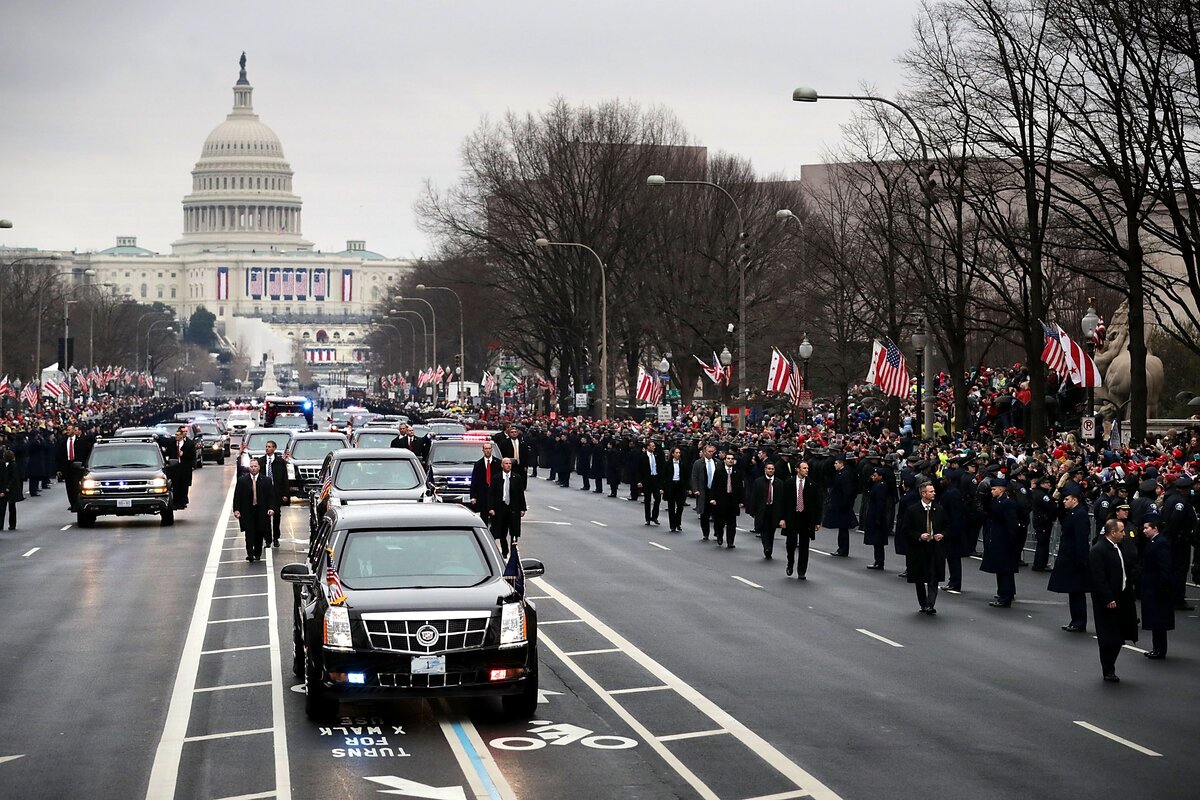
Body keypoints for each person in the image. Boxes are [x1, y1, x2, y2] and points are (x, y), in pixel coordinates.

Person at [1088, 518, 1139, 682]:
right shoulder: (1099, 550)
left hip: (1123, 595)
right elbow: (1098, 577)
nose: (1124, 534)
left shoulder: (1120, 547)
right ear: (1113, 533)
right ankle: (1108, 669)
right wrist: (1108, 597)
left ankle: (1111, 665)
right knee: (1108, 636)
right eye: (1121, 531)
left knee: (1119, 634)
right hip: (1108, 599)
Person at [1048, 486, 1091, 632]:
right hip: (1070, 556)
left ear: (1075, 499)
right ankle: (1076, 620)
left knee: (1077, 591)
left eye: (1066, 499)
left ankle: (1079, 621)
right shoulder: (1072, 513)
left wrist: (1081, 559)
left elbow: (1081, 539)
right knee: (1073, 591)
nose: (1064, 502)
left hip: (1075, 558)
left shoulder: (1080, 514)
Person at [903, 480, 946, 614]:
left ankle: (930, 604)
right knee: (920, 577)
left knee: (933, 576)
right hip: (919, 548)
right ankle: (923, 603)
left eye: (934, 491)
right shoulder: (913, 510)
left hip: (934, 547)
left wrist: (942, 534)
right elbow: (906, 529)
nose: (934, 493)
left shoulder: (939, 509)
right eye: (931, 491)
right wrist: (919, 535)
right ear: (923, 494)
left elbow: (947, 526)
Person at [982, 478, 1021, 607]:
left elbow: (1012, 524)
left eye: (994, 489)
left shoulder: (1007, 503)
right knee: (1000, 569)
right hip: (998, 539)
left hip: (1004, 541)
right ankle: (1003, 593)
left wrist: (1011, 541)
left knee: (1005, 570)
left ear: (1001, 489)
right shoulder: (997, 501)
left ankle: (1005, 596)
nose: (992, 491)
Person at [1139, 514, 1173, 659]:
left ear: (1155, 528)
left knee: (1158, 619)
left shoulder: (1160, 543)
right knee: (1155, 619)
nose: (1144, 531)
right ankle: (1157, 647)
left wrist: (1163, 586)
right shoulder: (1153, 542)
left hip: (1157, 587)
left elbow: (1165, 566)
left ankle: (1159, 649)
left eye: (1147, 528)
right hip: (1152, 585)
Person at [782, 458, 822, 579]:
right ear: (797, 469)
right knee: (791, 543)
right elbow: (783, 502)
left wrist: (817, 521)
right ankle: (790, 563)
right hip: (792, 517)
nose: (806, 470)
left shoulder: (812, 485)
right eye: (804, 468)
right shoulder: (789, 483)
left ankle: (801, 571)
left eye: (807, 468)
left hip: (806, 518)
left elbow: (817, 504)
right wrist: (782, 518)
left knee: (804, 545)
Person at [233, 459, 274, 563]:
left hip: (261, 510)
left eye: (255, 466)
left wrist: (271, 508)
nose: (253, 468)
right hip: (248, 510)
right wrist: (236, 510)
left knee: (259, 532)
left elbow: (270, 496)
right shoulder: (242, 480)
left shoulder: (266, 480)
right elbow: (237, 496)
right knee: (249, 532)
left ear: (259, 467)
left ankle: (257, 553)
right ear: (249, 468)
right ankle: (250, 553)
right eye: (251, 466)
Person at [489, 457, 526, 557]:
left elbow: (520, 494)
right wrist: (491, 508)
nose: (508, 465)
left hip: (513, 508)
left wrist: (523, 508)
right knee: (502, 532)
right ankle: (505, 551)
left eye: (510, 463)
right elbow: (492, 494)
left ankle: (513, 551)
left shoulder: (516, 477)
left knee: (514, 531)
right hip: (501, 508)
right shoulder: (496, 478)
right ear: (502, 465)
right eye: (506, 463)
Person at [823, 453, 858, 557]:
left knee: (843, 529)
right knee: (842, 529)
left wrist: (843, 504)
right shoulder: (840, 473)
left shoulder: (844, 474)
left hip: (842, 505)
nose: (834, 465)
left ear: (841, 463)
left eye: (836, 463)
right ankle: (841, 548)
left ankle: (843, 549)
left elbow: (846, 491)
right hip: (841, 504)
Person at [257, 440, 288, 547]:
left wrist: (285, 494)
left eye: (269, 447)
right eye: (266, 446)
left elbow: (284, 479)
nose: (267, 448)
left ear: (274, 448)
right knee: (265, 517)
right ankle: (268, 539)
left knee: (276, 515)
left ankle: (276, 537)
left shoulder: (280, 462)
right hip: (264, 493)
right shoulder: (261, 461)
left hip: (276, 492)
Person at [752, 461, 786, 559]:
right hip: (763, 509)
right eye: (769, 468)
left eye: (772, 469)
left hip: (774, 510)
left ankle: (769, 548)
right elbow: (754, 496)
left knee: (772, 530)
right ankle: (766, 547)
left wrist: (782, 515)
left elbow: (782, 499)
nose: (770, 470)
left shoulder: (779, 483)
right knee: (764, 529)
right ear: (765, 470)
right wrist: (753, 511)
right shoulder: (758, 482)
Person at [711, 451, 744, 549]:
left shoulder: (737, 472)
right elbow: (714, 486)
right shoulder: (719, 471)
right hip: (721, 499)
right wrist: (713, 498)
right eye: (728, 458)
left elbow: (740, 488)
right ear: (725, 460)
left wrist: (741, 501)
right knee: (720, 521)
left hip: (733, 500)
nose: (730, 460)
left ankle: (730, 541)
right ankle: (720, 536)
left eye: (732, 459)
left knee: (732, 522)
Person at [57, 424, 93, 513]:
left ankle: (77, 504)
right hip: (67, 466)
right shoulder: (63, 442)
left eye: (69, 430)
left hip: (78, 466)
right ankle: (72, 504)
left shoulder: (80, 441)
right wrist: (59, 469)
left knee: (76, 486)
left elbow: (85, 453)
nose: (67, 431)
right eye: (67, 430)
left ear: (73, 430)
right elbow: (59, 456)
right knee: (69, 486)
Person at [863, 466, 891, 570]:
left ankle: (879, 561)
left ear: (880, 476)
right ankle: (877, 560)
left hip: (877, 516)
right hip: (874, 515)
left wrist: (878, 518)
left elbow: (880, 503)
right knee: (876, 541)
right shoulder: (876, 485)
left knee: (878, 541)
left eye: (875, 476)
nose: (873, 477)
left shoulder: (881, 487)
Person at [690, 443, 718, 541]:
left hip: (715, 491)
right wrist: (695, 489)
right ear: (704, 452)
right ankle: (705, 533)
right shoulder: (698, 463)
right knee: (705, 513)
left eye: (712, 452)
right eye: (709, 452)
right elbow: (694, 477)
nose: (711, 453)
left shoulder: (717, 462)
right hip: (704, 490)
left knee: (717, 513)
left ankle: (717, 532)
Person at [468, 441, 501, 520]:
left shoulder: (498, 463)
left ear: (491, 450)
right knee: (484, 517)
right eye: (486, 449)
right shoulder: (478, 464)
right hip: (483, 495)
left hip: (495, 495)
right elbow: (474, 481)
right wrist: (473, 496)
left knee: (496, 519)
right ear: (483, 450)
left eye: (489, 448)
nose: (488, 450)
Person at [1030, 474, 1057, 571]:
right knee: (1043, 544)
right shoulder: (1042, 495)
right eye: (1047, 483)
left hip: (1040, 520)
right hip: (1043, 521)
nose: (1049, 484)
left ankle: (1038, 563)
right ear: (1041, 484)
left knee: (1041, 543)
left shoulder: (1037, 492)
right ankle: (1040, 564)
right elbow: (1051, 506)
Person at [638, 439, 664, 526]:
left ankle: (654, 516)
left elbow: (660, 467)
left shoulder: (656, 455)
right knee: (647, 499)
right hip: (647, 480)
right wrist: (640, 481)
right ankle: (647, 518)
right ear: (648, 447)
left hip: (655, 478)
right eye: (652, 446)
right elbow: (639, 470)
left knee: (658, 498)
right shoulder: (643, 456)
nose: (654, 447)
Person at [169, 426, 196, 509]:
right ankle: (176, 501)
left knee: (184, 485)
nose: (176, 436)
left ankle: (183, 501)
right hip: (175, 468)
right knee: (176, 485)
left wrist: (183, 455)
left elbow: (192, 456)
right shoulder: (173, 442)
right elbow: (165, 442)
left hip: (185, 468)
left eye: (185, 432)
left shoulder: (190, 443)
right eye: (176, 434)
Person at [664, 446, 689, 532]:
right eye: (676, 453)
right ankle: (672, 525)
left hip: (680, 486)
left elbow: (686, 476)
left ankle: (678, 522)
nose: (678, 454)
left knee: (680, 506)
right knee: (671, 506)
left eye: (679, 453)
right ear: (673, 454)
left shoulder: (682, 464)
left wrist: (688, 487)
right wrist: (663, 488)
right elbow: (665, 476)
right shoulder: (668, 464)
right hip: (671, 486)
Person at [0, 449, 21, 530]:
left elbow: (13, 478)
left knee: (11, 507)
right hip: (5, 487)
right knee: (3, 507)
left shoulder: (13, 465)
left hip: (11, 488)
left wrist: (8, 487)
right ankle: (2, 524)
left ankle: (12, 524)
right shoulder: (3, 464)